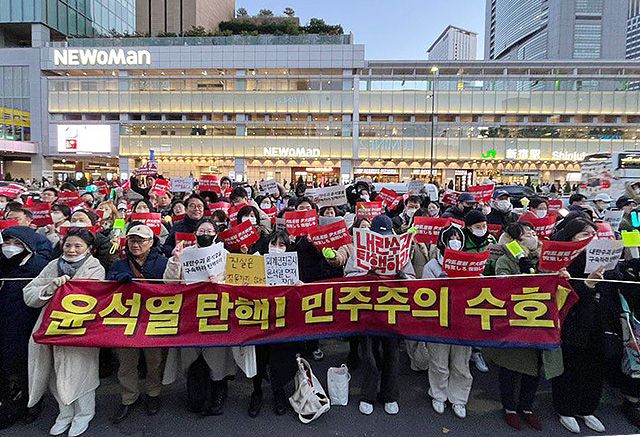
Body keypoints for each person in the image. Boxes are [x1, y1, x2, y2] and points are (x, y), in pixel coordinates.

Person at [23, 228, 105, 437]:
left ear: (89, 249)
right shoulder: (53, 265)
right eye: (68, 245)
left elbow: (93, 296)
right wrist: (48, 290)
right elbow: (29, 293)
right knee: (54, 373)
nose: (71, 250)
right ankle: (64, 414)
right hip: (50, 328)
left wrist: (67, 291)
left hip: (80, 329)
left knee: (81, 373)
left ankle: (84, 414)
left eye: (78, 246)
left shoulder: (95, 267)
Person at [484, 222, 564, 431]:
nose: (532, 236)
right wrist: (522, 269)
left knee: (534, 369)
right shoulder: (505, 261)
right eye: (527, 234)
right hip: (516, 323)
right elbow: (503, 288)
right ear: (515, 241)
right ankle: (509, 408)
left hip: (540, 322)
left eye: (533, 233)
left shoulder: (544, 260)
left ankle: (527, 407)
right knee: (511, 368)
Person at [163, 219, 242, 416]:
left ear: (216, 235)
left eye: (209, 231)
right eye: (202, 230)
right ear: (195, 234)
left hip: (216, 313)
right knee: (190, 355)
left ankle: (218, 391)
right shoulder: (185, 254)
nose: (205, 233)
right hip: (189, 314)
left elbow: (236, 281)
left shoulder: (224, 255)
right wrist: (175, 260)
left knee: (217, 357)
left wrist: (221, 282)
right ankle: (196, 394)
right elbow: (169, 282)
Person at [343, 215, 415, 416]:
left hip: (392, 311)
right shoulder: (359, 250)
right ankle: (368, 396)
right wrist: (367, 275)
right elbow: (348, 276)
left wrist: (402, 276)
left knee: (392, 354)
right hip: (367, 311)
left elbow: (412, 280)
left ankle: (390, 395)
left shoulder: (400, 252)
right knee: (369, 355)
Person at [107, 224, 169, 424]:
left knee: (154, 360)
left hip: (154, 319)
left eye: (141, 241)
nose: (136, 245)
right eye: (132, 240)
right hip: (127, 319)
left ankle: (153, 394)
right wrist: (115, 280)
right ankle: (129, 397)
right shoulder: (119, 265)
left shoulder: (163, 263)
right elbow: (106, 288)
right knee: (127, 362)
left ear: (151, 242)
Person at [550, 217, 606, 434]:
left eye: (593, 234)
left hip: (599, 322)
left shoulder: (603, 259)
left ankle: (587, 408)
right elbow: (559, 297)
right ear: (571, 238)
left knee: (595, 367)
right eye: (584, 234)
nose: (591, 238)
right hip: (573, 323)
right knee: (571, 367)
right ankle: (565, 409)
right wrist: (587, 285)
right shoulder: (564, 262)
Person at [0, 226, 51, 429]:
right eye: (7, 242)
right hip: (4, 322)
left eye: (17, 244)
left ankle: (31, 403)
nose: (10, 247)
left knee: (26, 366)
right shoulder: (2, 264)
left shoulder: (39, 267)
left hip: (27, 323)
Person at [249, 231, 303, 417]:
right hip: (258, 318)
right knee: (258, 356)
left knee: (279, 357)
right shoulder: (256, 262)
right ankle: (256, 392)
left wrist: (299, 287)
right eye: (273, 244)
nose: (277, 248)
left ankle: (278, 391)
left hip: (281, 320)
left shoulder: (294, 265)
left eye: (282, 245)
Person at [423, 224, 472, 419]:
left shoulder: (470, 263)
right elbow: (423, 293)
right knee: (439, 362)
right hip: (439, 321)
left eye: (458, 238)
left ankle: (459, 398)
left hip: (463, 321)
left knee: (461, 364)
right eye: (451, 238)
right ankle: (438, 394)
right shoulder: (432, 266)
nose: (455, 242)